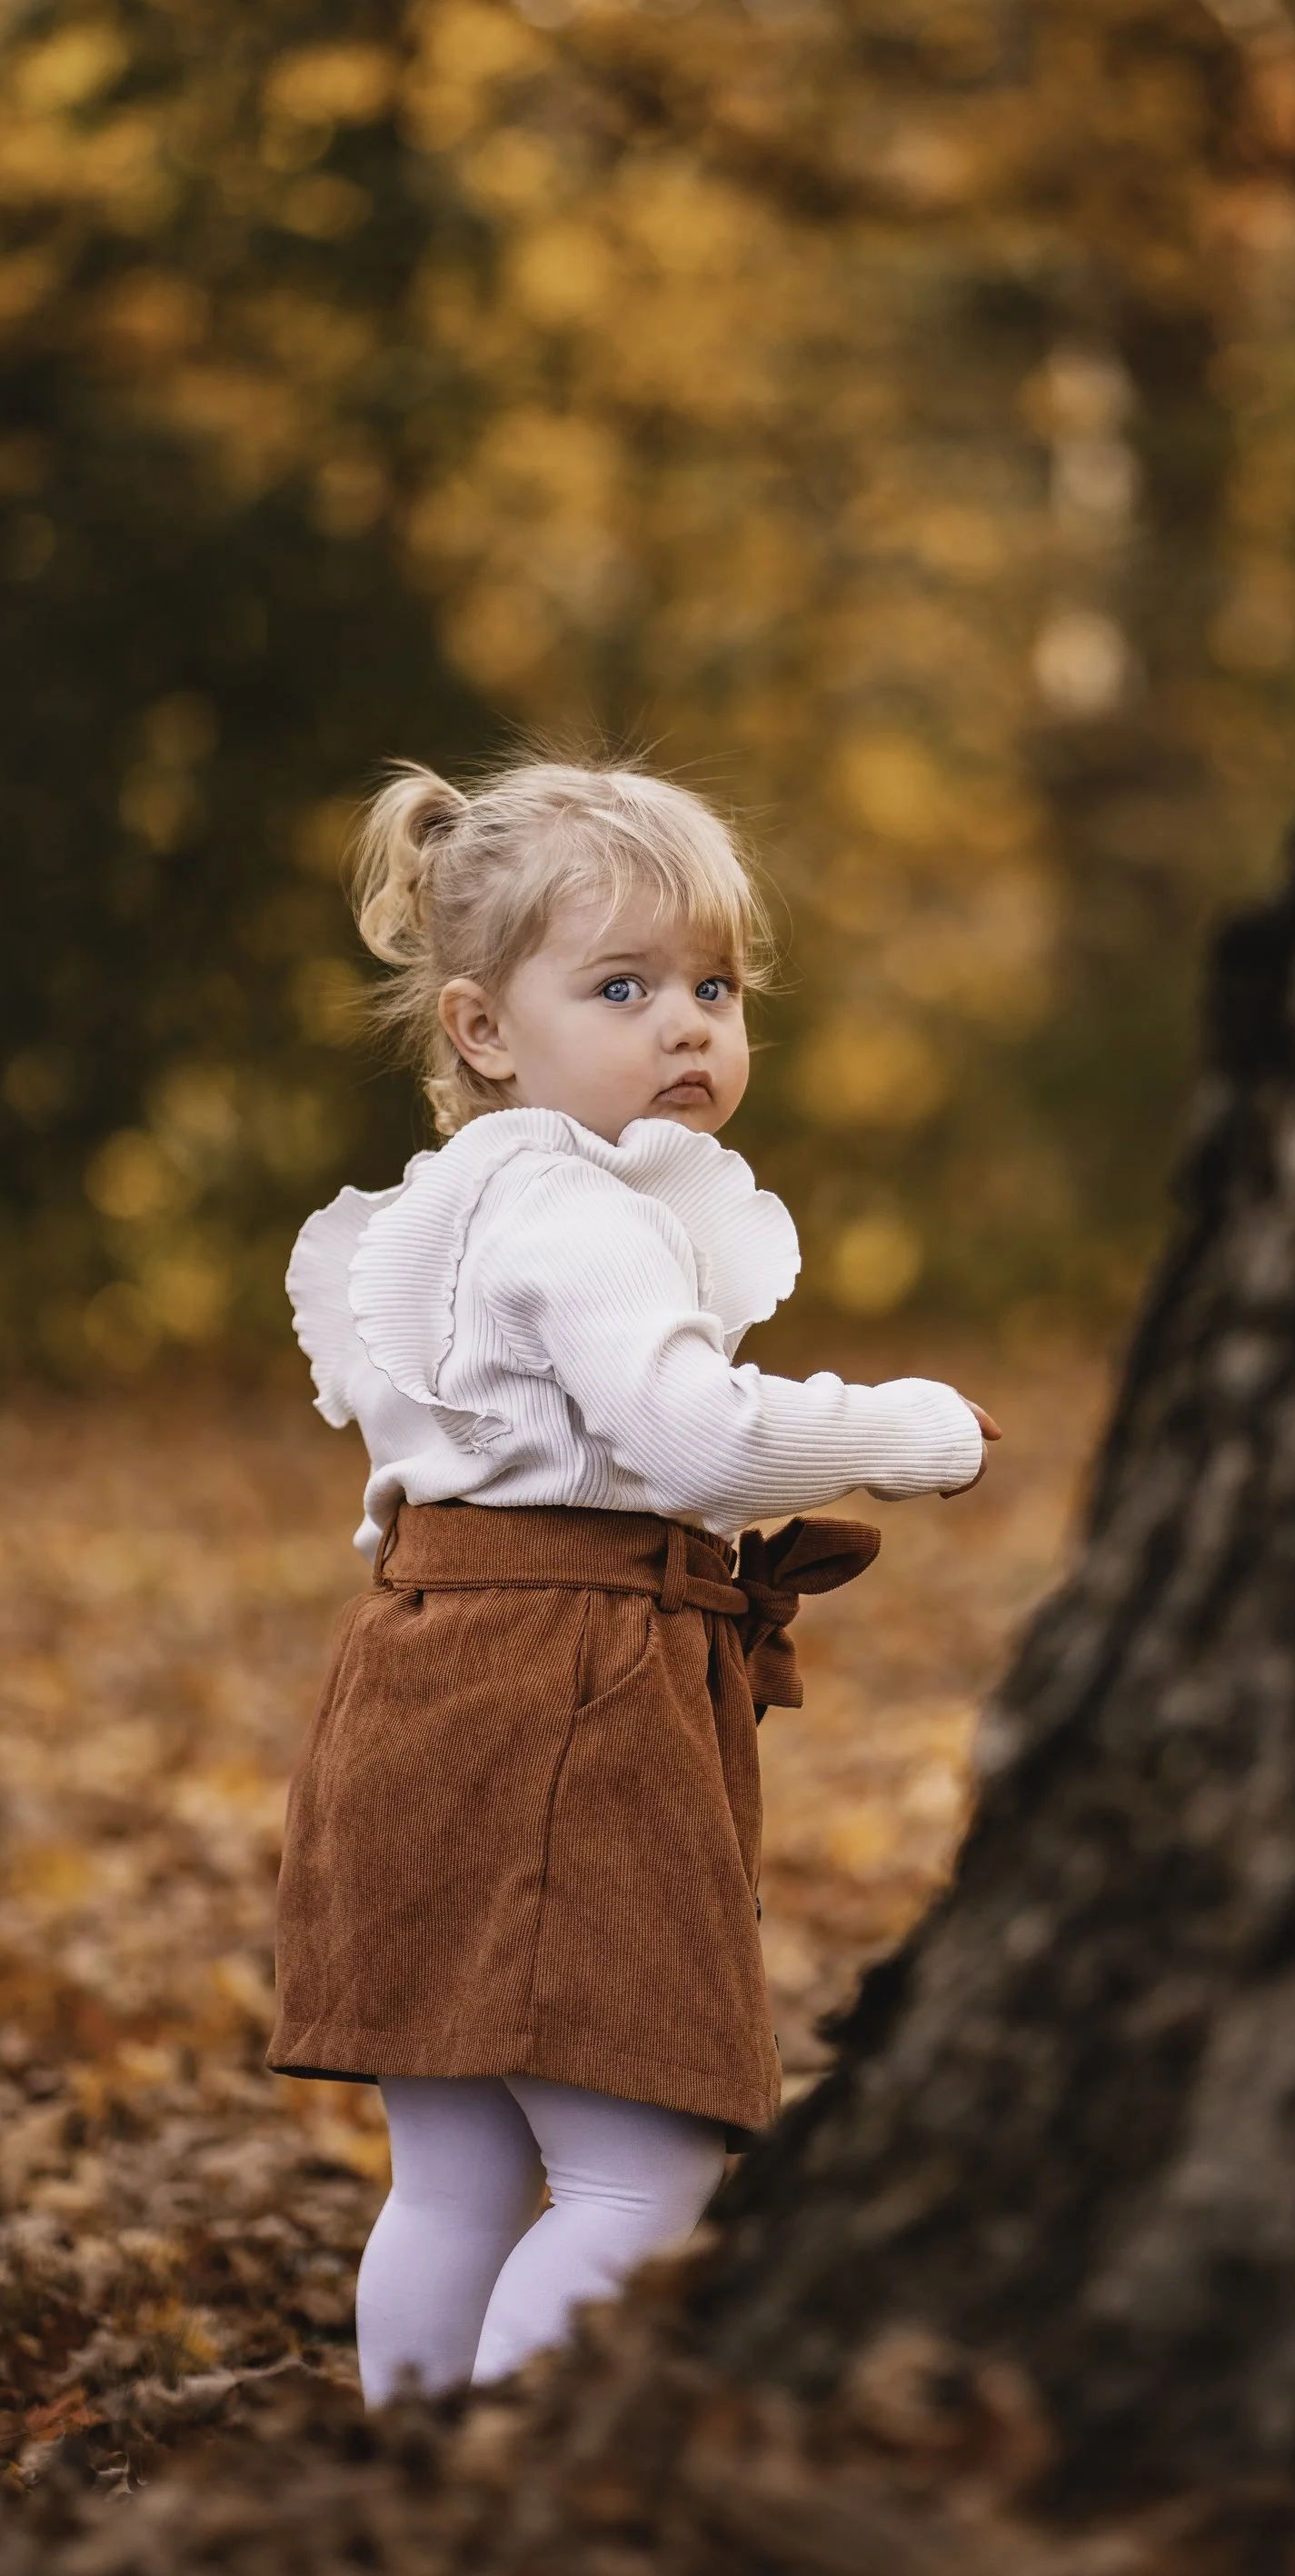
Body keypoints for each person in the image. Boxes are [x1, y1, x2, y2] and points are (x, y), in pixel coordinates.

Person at [273, 757, 999, 2402]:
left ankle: (415, 2472)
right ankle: (514, 2484)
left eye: (713, 988)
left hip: (422, 1677)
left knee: (457, 2175)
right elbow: (691, 1444)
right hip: (564, 1701)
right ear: (481, 1030)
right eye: (624, 986)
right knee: (638, 2172)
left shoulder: (458, 1216)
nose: (687, 1025)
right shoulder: (578, 1217)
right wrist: (907, 1427)